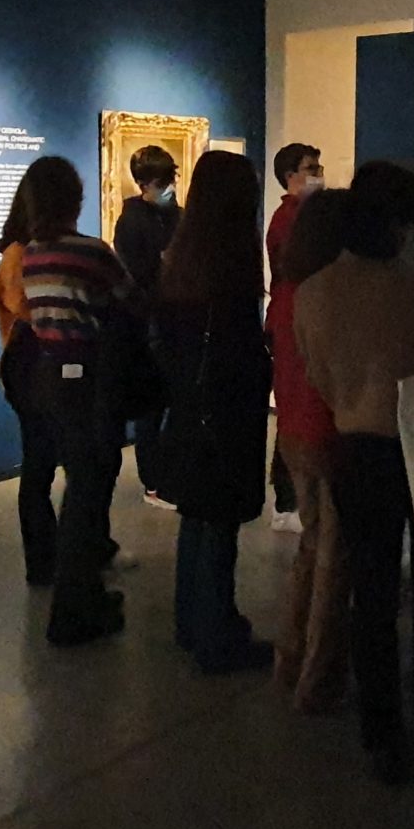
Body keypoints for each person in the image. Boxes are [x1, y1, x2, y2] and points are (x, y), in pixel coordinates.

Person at [293, 162, 414, 783]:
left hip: (355, 450)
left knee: (370, 593)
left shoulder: (313, 293)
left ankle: (381, 731)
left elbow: (318, 376)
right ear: (398, 224)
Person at [151, 150, 277, 675]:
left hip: (188, 412)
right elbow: (238, 355)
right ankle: (216, 636)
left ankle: (191, 622)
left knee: (196, 518)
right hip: (224, 415)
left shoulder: (181, 260)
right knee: (219, 524)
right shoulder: (230, 268)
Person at [15, 156, 135, 646]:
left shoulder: (31, 254)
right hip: (87, 376)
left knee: (79, 486)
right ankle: (74, 608)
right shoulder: (90, 251)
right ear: (74, 199)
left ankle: (82, 596)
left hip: (50, 375)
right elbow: (128, 299)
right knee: (88, 491)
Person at [269, 188, 352, 712]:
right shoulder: (332, 294)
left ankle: (290, 658)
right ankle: (317, 678)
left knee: (312, 545)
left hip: (292, 430)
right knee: (334, 557)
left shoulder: (285, 292)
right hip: (330, 430)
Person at [0, 188, 60, 588]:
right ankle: (42, 561)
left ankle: (49, 554)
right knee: (38, 466)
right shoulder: (18, 255)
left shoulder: (24, 252)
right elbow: (27, 308)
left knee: (41, 463)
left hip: (35, 368)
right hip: (30, 368)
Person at [114, 144, 181, 508]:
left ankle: (169, 473)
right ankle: (153, 482)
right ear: (143, 184)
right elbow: (134, 277)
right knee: (151, 407)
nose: (168, 188)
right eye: (160, 183)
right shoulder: (131, 221)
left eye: (169, 180)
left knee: (175, 402)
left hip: (176, 319)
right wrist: (165, 264)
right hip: (150, 323)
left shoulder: (177, 216)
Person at [266, 141, 327, 533]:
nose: (318, 174)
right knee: (294, 409)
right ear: (290, 176)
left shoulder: (300, 216)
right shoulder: (289, 219)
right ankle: (287, 499)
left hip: (296, 315)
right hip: (292, 318)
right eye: (310, 168)